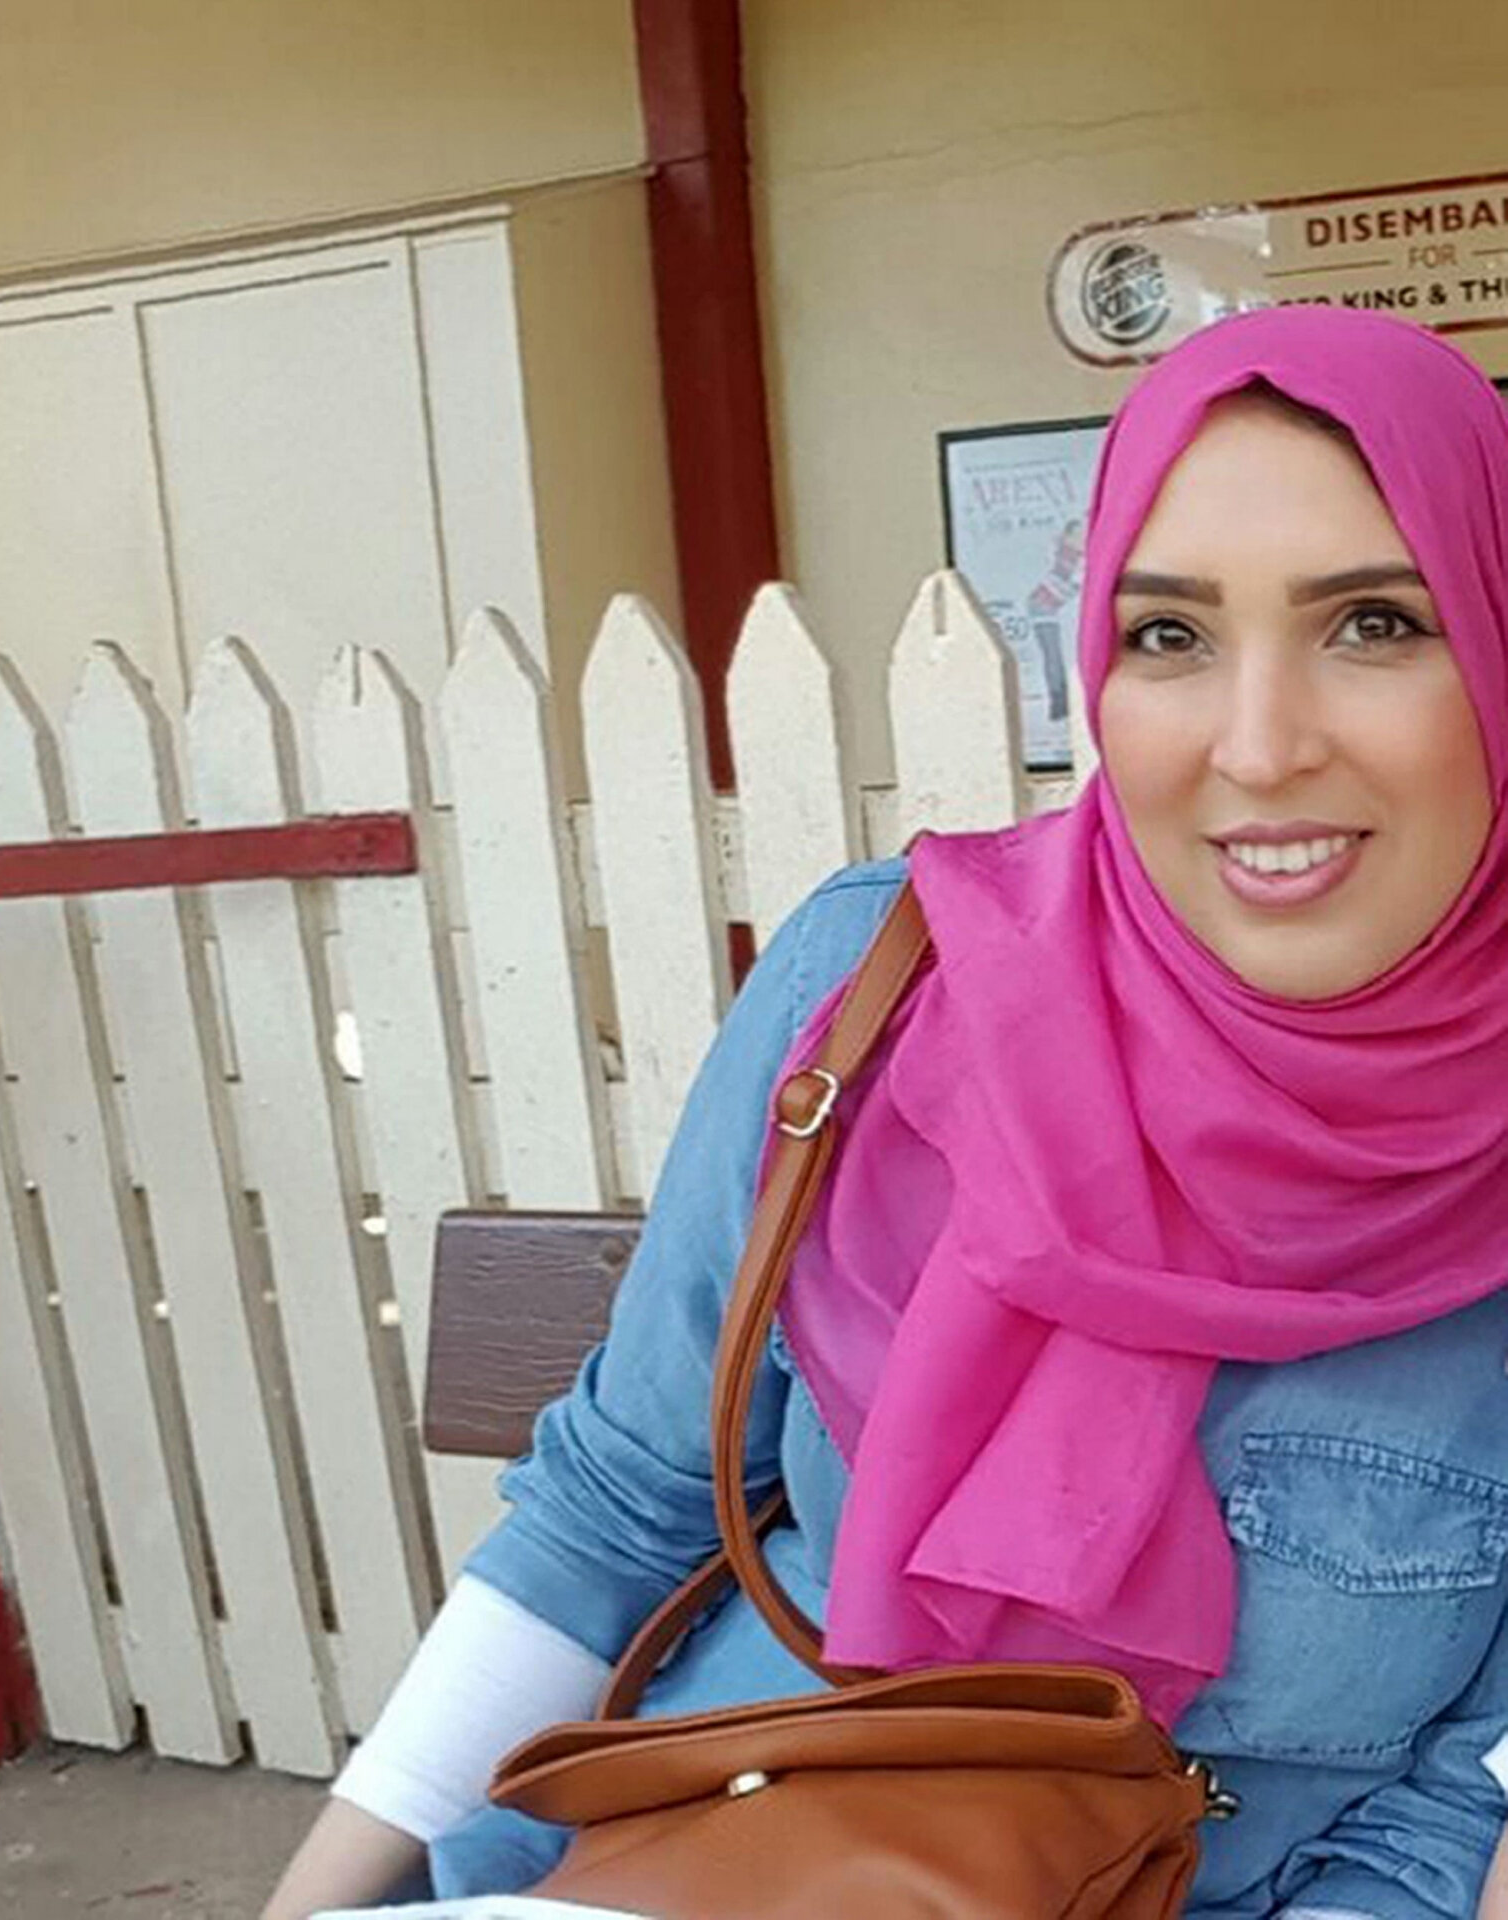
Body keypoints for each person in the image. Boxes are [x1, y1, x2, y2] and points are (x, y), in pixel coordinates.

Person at [267, 307, 1508, 1920]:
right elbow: (612, 1513)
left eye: (1372, 623)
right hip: (693, 1864)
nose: (1257, 747)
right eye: (1168, 635)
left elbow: (1457, 1821)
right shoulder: (884, 977)